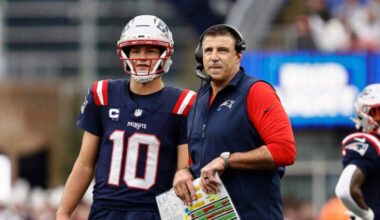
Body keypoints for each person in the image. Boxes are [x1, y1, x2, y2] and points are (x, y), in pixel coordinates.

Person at [56, 15, 196, 220]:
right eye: (136, 50)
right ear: (124, 52)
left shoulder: (183, 103)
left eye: (150, 50)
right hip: (105, 209)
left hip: (155, 211)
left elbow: (184, 170)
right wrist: (64, 212)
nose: (141, 57)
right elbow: (85, 163)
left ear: (165, 54)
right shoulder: (103, 94)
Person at [173, 24, 296, 219]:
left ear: (238, 56)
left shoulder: (257, 91)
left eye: (222, 50)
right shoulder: (199, 99)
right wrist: (182, 171)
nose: (214, 57)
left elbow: (285, 150)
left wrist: (227, 160)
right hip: (211, 215)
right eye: (208, 51)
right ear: (200, 57)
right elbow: (196, 154)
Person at [335, 84, 380, 220]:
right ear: (364, 113)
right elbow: (344, 190)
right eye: (377, 112)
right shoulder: (366, 142)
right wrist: (367, 215)